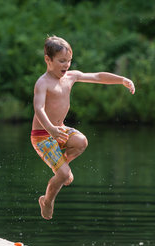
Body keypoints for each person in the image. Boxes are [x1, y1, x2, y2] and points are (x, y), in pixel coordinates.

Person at [31, 36, 135, 220]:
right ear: (48, 60)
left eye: (69, 61)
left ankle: (62, 168)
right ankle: (47, 200)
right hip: (42, 135)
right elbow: (38, 108)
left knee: (81, 141)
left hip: (59, 129)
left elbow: (97, 76)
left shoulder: (71, 77)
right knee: (63, 175)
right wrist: (50, 129)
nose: (66, 65)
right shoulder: (43, 83)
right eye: (62, 61)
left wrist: (122, 80)